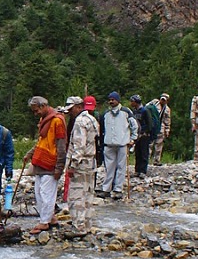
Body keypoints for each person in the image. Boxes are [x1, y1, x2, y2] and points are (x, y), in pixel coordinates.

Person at [22, 96, 66, 235]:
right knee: (39, 193)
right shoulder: (44, 120)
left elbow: (61, 146)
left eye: (36, 111)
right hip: (40, 163)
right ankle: (51, 218)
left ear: (43, 106)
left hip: (51, 164)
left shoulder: (57, 121)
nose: (35, 114)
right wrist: (29, 154)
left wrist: (59, 167)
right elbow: (41, 142)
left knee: (47, 195)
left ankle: (44, 222)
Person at [64, 96, 100, 236]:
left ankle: (78, 227)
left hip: (81, 164)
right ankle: (87, 224)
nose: (70, 112)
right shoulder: (92, 119)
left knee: (76, 195)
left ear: (79, 107)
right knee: (88, 194)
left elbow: (79, 145)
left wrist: (73, 164)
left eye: (71, 109)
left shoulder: (79, 122)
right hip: (91, 162)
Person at [99, 92, 137, 199]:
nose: (111, 101)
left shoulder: (126, 112)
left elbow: (134, 125)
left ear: (118, 100)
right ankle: (106, 189)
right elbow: (102, 129)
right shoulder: (106, 114)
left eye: (113, 99)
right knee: (109, 168)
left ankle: (118, 189)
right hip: (109, 144)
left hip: (122, 144)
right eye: (110, 100)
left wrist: (133, 139)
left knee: (121, 167)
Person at [129, 95, 153, 177]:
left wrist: (143, 131)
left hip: (144, 135)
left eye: (132, 101)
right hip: (136, 135)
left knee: (144, 153)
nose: (131, 103)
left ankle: (143, 170)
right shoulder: (134, 111)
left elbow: (149, 124)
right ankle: (137, 170)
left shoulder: (145, 111)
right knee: (137, 152)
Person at [151, 93, 171, 166]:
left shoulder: (167, 109)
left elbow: (167, 120)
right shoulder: (154, 104)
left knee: (159, 143)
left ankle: (156, 160)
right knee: (150, 143)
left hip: (161, 125)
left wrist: (167, 130)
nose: (162, 101)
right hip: (153, 124)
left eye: (164, 100)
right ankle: (146, 159)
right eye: (162, 99)